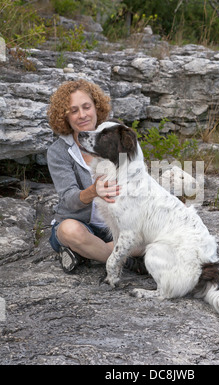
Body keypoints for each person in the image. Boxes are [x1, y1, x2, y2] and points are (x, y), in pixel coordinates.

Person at [47, 79, 146, 274]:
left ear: (96, 107)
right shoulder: (58, 151)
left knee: (155, 235)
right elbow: (68, 201)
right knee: (69, 231)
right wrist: (92, 192)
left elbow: (139, 181)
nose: (82, 115)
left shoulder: (117, 136)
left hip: (121, 225)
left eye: (86, 107)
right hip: (84, 227)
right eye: (73, 111)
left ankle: (89, 254)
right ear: (64, 117)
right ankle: (128, 262)